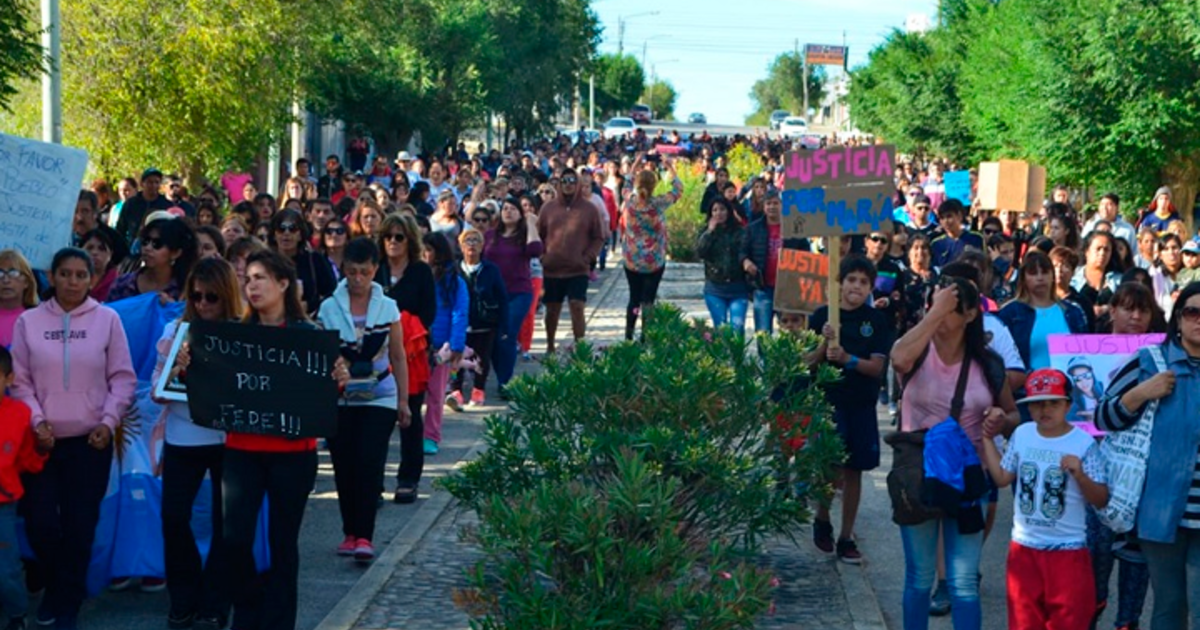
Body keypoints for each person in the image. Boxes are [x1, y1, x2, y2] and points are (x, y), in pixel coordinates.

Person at [181, 249, 346, 630]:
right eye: (247, 279)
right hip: (242, 452)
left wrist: (337, 377)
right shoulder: (230, 336)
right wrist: (191, 370)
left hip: (293, 454)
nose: (251, 286)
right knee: (235, 540)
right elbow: (213, 390)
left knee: (283, 544)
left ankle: (279, 621)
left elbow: (323, 395)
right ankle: (249, 610)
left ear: (283, 284)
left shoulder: (308, 337)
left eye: (260, 278)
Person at [12, 247, 137, 630]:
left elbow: (122, 377)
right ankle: (58, 586)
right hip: (42, 443)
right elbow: (19, 380)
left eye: (81, 275)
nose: (72, 281)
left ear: (91, 278)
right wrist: (36, 421)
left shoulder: (108, 319)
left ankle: (66, 602)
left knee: (81, 526)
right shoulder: (28, 322)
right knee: (41, 524)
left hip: (90, 441)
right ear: (52, 276)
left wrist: (108, 419)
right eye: (64, 274)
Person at [890, 277, 1017, 630]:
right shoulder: (916, 351)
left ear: (972, 314)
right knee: (919, 577)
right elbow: (897, 358)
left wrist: (1000, 418)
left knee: (962, 584)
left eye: (951, 307)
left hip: (968, 479)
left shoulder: (988, 364)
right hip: (919, 476)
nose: (941, 311)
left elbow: (1014, 415)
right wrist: (937, 311)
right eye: (935, 303)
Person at [1094, 282, 1200, 630]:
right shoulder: (1150, 360)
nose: (1199, 320)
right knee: (1169, 607)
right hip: (1161, 509)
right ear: (1179, 319)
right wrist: (1140, 393)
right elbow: (1102, 417)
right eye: (1192, 312)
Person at [152, 258, 243, 630]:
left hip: (225, 439)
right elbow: (156, 391)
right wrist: (175, 370)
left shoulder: (241, 333)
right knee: (174, 517)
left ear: (226, 298)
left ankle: (216, 602)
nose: (204, 305)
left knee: (227, 524)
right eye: (197, 297)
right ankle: (183, 595)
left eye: (212, 298)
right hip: (182, 435)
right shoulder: (176, 329)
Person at [981, 368, 1107, 630]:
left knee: (1069, 621)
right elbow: (1003, 477)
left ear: (1068, 405)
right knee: (1024, 622)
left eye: (1053, 402)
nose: (1045, 409)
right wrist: (986, 439)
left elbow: (1101, 498)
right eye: (1037, 403)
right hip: (1024, 548)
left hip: (1068, 549)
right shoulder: (1023, 434)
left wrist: (1080, 476)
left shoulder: (1083, 443)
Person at [317, 238, 412, 556]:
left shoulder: (388, 307)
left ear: (375, 271)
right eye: (353, 272)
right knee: (344, 464)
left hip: (380, 393)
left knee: (370, 460)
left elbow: (398, 355)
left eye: (365, 273)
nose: (358, 279)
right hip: (342, 394)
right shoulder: (329, 308)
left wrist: (403, 400)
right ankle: (350, 530)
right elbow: (322, 354)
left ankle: (365, 535)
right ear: (344, 270)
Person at [806, 255, 895, 564]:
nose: (856, 286)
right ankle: (822, 517)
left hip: (861, 403)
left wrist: (848, 359)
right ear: (840, 283)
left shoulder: (876, 321)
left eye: (863, 282)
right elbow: (805, 364)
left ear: (870, 288)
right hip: (829, 401)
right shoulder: (821, 317)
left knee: (855, 469)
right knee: (830, 465)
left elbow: (877, 368)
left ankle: (846, 536)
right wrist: (823, 344)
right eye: (851, 280)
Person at [372, 214, 435, 501]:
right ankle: (373, 482)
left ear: (410, 240)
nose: (393, 242)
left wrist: (401, 325)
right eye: (388, 237)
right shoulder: (376, 269)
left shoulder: (421, 271)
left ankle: (409, 478)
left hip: (411, 352)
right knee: (377, 421)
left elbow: (429, 312)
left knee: (409, 417)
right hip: (375, 350)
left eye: (399, 237)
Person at [0, 345, 45, 630]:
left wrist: (43, 448)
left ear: (9, 379)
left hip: (4, 503)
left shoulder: (19, 413)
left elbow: (30, 461)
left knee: (6, 566)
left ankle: (17, 614)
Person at [537, 168, 604, 354]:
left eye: (572, 181)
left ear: (578, 185)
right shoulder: (548, 208)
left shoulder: (589, 208)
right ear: (558, 184)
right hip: (552, 269)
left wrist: (588, 257)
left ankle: (580, 347)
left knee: (577, 306)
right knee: (552, 310)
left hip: (578, 269)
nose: (568, 184)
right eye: (564, 181)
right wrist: (543, 256)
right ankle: (550, 345)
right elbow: (538, 235)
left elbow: (599, 237)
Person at [482, 197, 542, 393]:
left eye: (513, 209)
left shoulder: (525, 235)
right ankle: (502, 376)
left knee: (507, 335)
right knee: (493, 337)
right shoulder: (491, 235)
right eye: (505, 208)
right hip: (493, 293)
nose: (508, 212)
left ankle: (505, 382)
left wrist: (531, 223)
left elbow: (535, 250)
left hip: (519, 292)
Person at [620, 156, 682, 340]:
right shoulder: (658, 204)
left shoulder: (630, 201)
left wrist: (634, 166)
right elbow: (678, 190)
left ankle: (628, 336)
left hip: (632, 259)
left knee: (634, 298)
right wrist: (670, 167)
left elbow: (625, 185)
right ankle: (646, 337)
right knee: (648, 300)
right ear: (654, 186)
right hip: (654, 260)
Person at [997, 250, 1089, 372]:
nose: (1040, 278)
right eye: (1033, 273)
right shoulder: (1010, 313)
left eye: (1045, 272)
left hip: (1067, 387)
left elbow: (1085, 355)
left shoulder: (1073, 312)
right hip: (1024, 389)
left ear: (1052, 276)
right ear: (1023, 278)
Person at [447, 229, 508, 409]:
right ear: (461, 245)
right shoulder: (454, 270)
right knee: (455, 358)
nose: (471, 244)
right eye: (467, 241)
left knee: (482, 358)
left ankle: (478, 390)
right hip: (459, 324)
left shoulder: (491, 270)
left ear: (482, 246)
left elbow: (502, 297)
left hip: (484, 324)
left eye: (475, 241)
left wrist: (504, 325)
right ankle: (455, 391)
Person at [420, 232, 468, 455]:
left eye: (428, 249)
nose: (424, 254)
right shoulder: (414, 276)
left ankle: (431, 436)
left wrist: (456, 344)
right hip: (414, 344)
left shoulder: (454, 281)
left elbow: (460, 312)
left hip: (441, 346)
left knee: (436, 394)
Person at [740, 192, 808, 334]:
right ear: (764, 207)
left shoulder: (794, 229)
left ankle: (788, 357)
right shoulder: (753, 229)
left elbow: (806, 252)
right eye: (768, 203)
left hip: (788, 289)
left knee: (792, 332)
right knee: (763, 332)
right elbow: (742, 252)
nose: (772, 207)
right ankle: (765, 357)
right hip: (763, 287)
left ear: (782, 206)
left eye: (776, 203)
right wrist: (746, 262)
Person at [107, 217, 198, 303]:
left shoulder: (187, 289)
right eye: (145, 242)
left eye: (157, 244)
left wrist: (173, 308)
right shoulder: (123, 285)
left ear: (175, 253)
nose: (148, 248)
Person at [268, 209, 336, 315]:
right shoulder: (265, 262)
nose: (286, 233)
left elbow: (331, 293)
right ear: (274, 234)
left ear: (300, 235)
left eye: (292, 229)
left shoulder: (315, 260)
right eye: (281, 229)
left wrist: (310, 305)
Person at [696, 198, 749, 332]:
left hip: (738, 288)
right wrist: (709, 232)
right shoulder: (706, 232)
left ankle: (737, 353)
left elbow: (746, 251)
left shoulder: (740, 231)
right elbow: (700, 252)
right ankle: (723, 354)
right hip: (715, 289)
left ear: (729, 211)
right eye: (715, 210)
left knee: (737, 328)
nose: (719, 213)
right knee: (721, 330)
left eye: (722, 209)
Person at [114, 168, 174, 245]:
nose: (153, 185)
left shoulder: (166, 205)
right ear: (142, 184)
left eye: (156, 182)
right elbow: (120, 229)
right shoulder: (131, 204)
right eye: (150, 182)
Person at [1072, 231, 1123, 320]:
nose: (1102, 253)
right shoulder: (1072, 277)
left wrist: (1108, 309)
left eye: (1106, 250)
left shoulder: (1119, 280)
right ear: (1087, 251)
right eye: (1098, 249)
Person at [0, 251, 38, 349]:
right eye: (0, 273)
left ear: (26, 281)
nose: (6, 280)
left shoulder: (38, 318)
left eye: (13, 273)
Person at [929, 200, 984, 268]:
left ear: (959, 216)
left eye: (949, 216)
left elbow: (984, 265)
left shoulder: (976, 238)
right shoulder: (936, 244)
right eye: (942, 218)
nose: (946, 221)